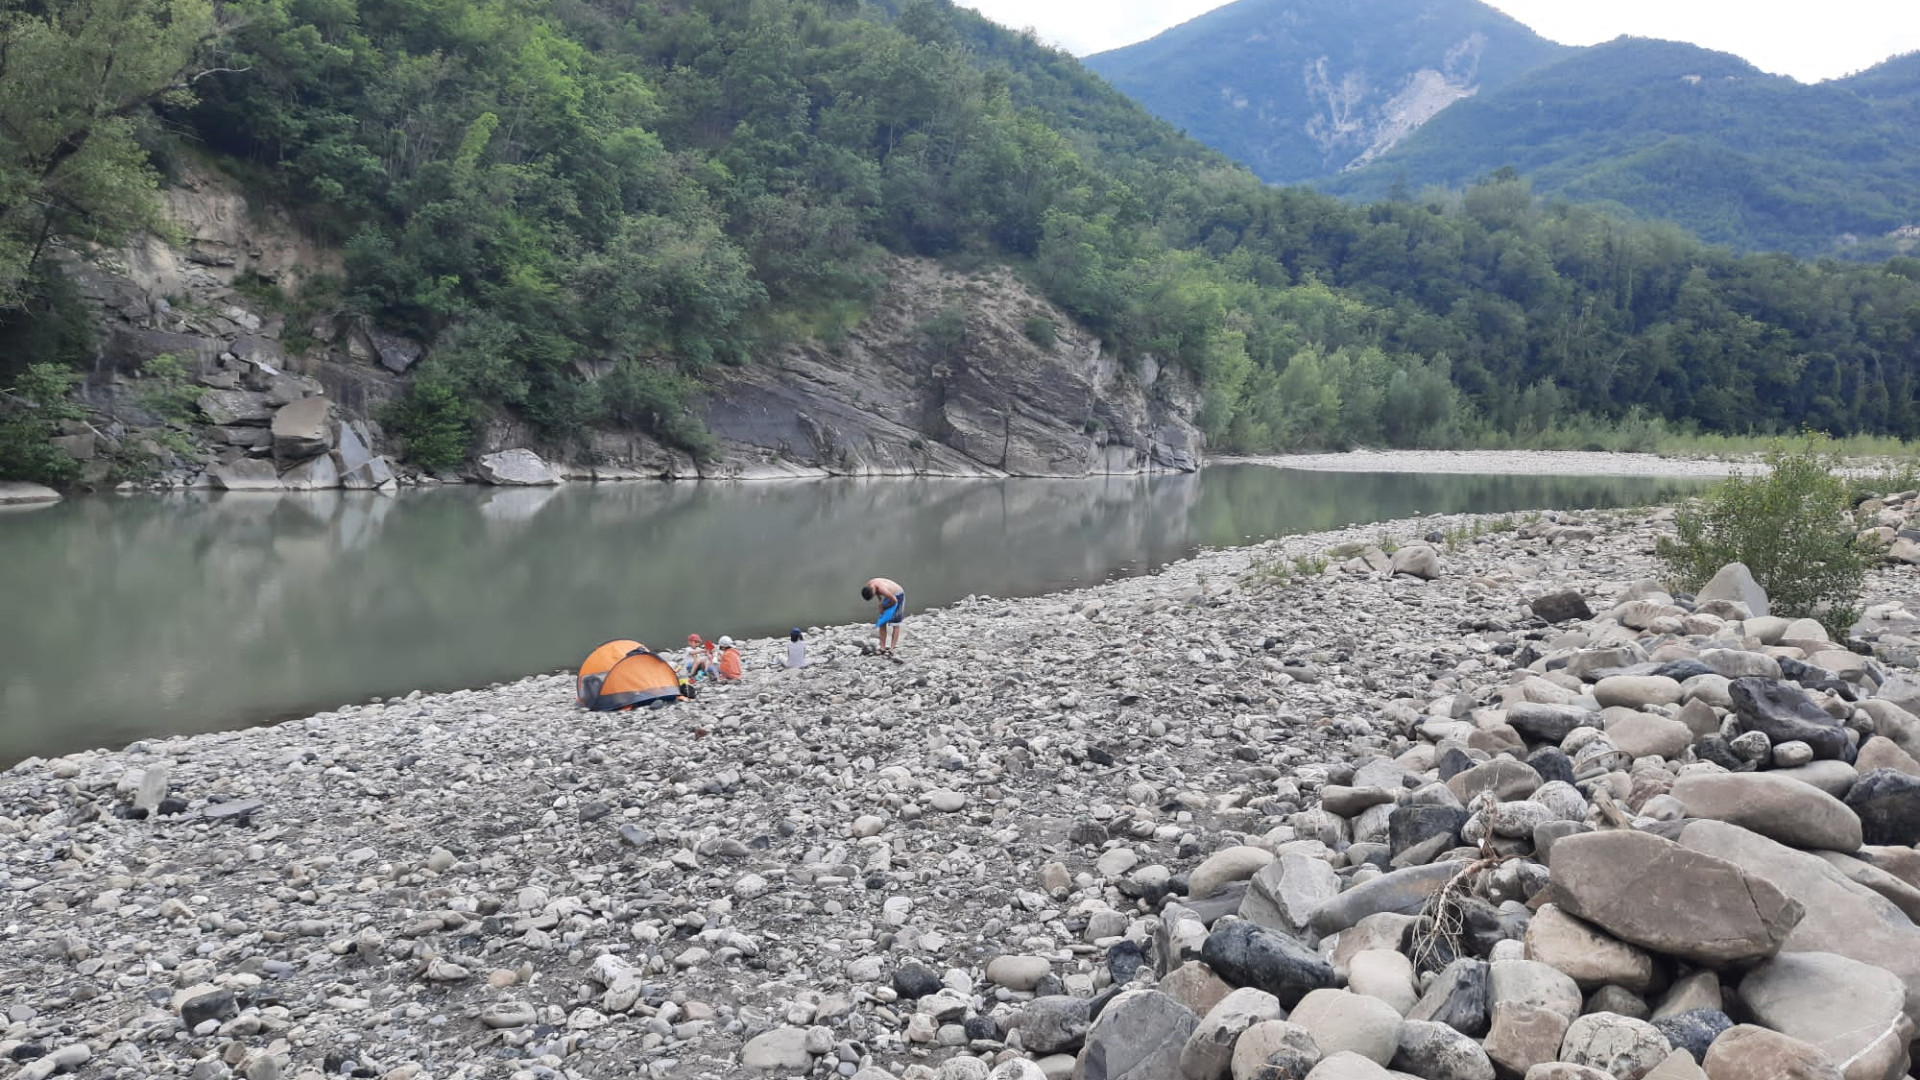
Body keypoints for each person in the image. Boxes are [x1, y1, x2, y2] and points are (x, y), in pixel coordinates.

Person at [861, 577, 905, 656]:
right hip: (889, 596)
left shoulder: (882, 589)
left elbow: (894, 600)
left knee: (895, 623)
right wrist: (880, 602)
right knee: (882, 622)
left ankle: (892, 649)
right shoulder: (869, 585)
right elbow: (878, 593)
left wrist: (884, 607)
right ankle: (882, 648)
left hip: (898, 595)